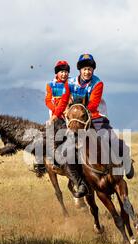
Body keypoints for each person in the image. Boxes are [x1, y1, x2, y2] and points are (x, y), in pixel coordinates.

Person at [66, 53, 135, 179]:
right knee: (64, 145)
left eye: (90, 69)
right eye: (85, 69)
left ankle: (125, 157)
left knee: (110, 139)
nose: (87, 72)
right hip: (76, 119)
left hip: (96, 116)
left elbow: (92, 105)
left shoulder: (97, 83)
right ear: (80, 70)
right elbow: (64, 99)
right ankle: (78, 180)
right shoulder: (69, 82)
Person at [42, 60, 88, 198]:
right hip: (56, 116)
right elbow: (48, 101)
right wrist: (56, 111)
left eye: (66, 72)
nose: (64, 74)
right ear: (57, 73)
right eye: (62, 72)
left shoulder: (70, 84)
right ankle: (52, 160)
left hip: (68, 114)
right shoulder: (50, 85)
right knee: (49, 136)